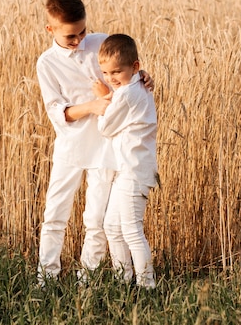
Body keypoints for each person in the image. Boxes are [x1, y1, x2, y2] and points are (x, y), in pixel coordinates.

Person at [35, 0, 153, 285]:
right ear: (51, 30)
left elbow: (125, 72)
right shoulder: (46, 63)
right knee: (55, 214)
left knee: (96, 220)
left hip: (105, 147)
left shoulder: (99, 42)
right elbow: (56, 112)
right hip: (70, 146)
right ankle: (47, 277)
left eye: (82, 32)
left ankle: (86, 277)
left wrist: (143, 77)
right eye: (70, 36)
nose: (78, 40)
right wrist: (93, 106)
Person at [96, 33, 159, 289]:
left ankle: (147, 286)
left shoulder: (126, 94)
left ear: (134, 67)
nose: (110, 79)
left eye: (116, 72)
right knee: (112, 226)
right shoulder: (137, 85)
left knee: (132, 230)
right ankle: (123, 281)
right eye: (106, 73)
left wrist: (105, 98)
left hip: (134, 171)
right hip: (127, 170)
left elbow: (105, 127)